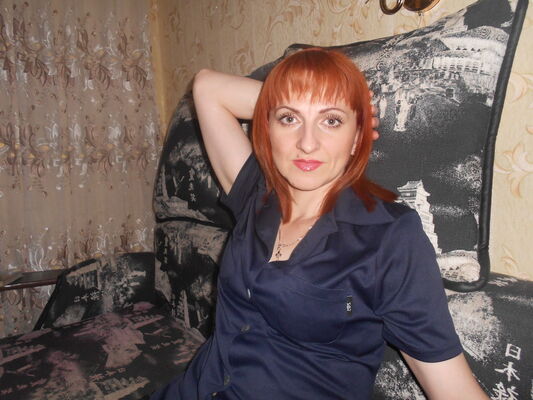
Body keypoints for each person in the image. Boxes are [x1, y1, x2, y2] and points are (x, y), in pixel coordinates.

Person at [152, 48, 488, 399]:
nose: (307, 143)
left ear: (357, 137)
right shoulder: (255, 192)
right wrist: (309, 101)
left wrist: (338, 106)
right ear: (267, 128)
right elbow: (207, 86)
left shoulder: (390, 237)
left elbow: (452, 387)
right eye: (288, 120)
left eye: (331, 122)